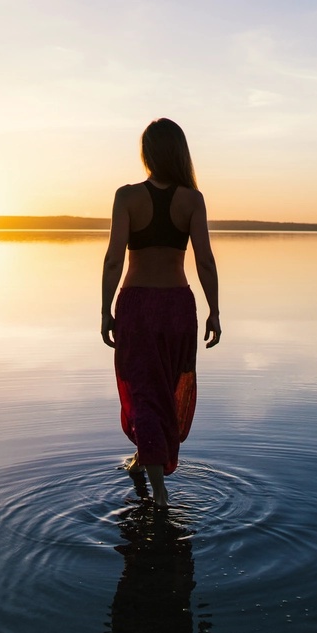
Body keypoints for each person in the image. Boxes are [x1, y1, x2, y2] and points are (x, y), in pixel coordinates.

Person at [101, 118, 221, 508]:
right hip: (177, 307)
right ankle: (144, 461)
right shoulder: (192, 199)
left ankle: (159, 492)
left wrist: (105, 310)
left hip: (137, 306)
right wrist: (214, 311)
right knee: (165, 390)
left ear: (147, 153)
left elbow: (113, 260)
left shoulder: (126, 196)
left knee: (144, 390)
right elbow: (204, 261)